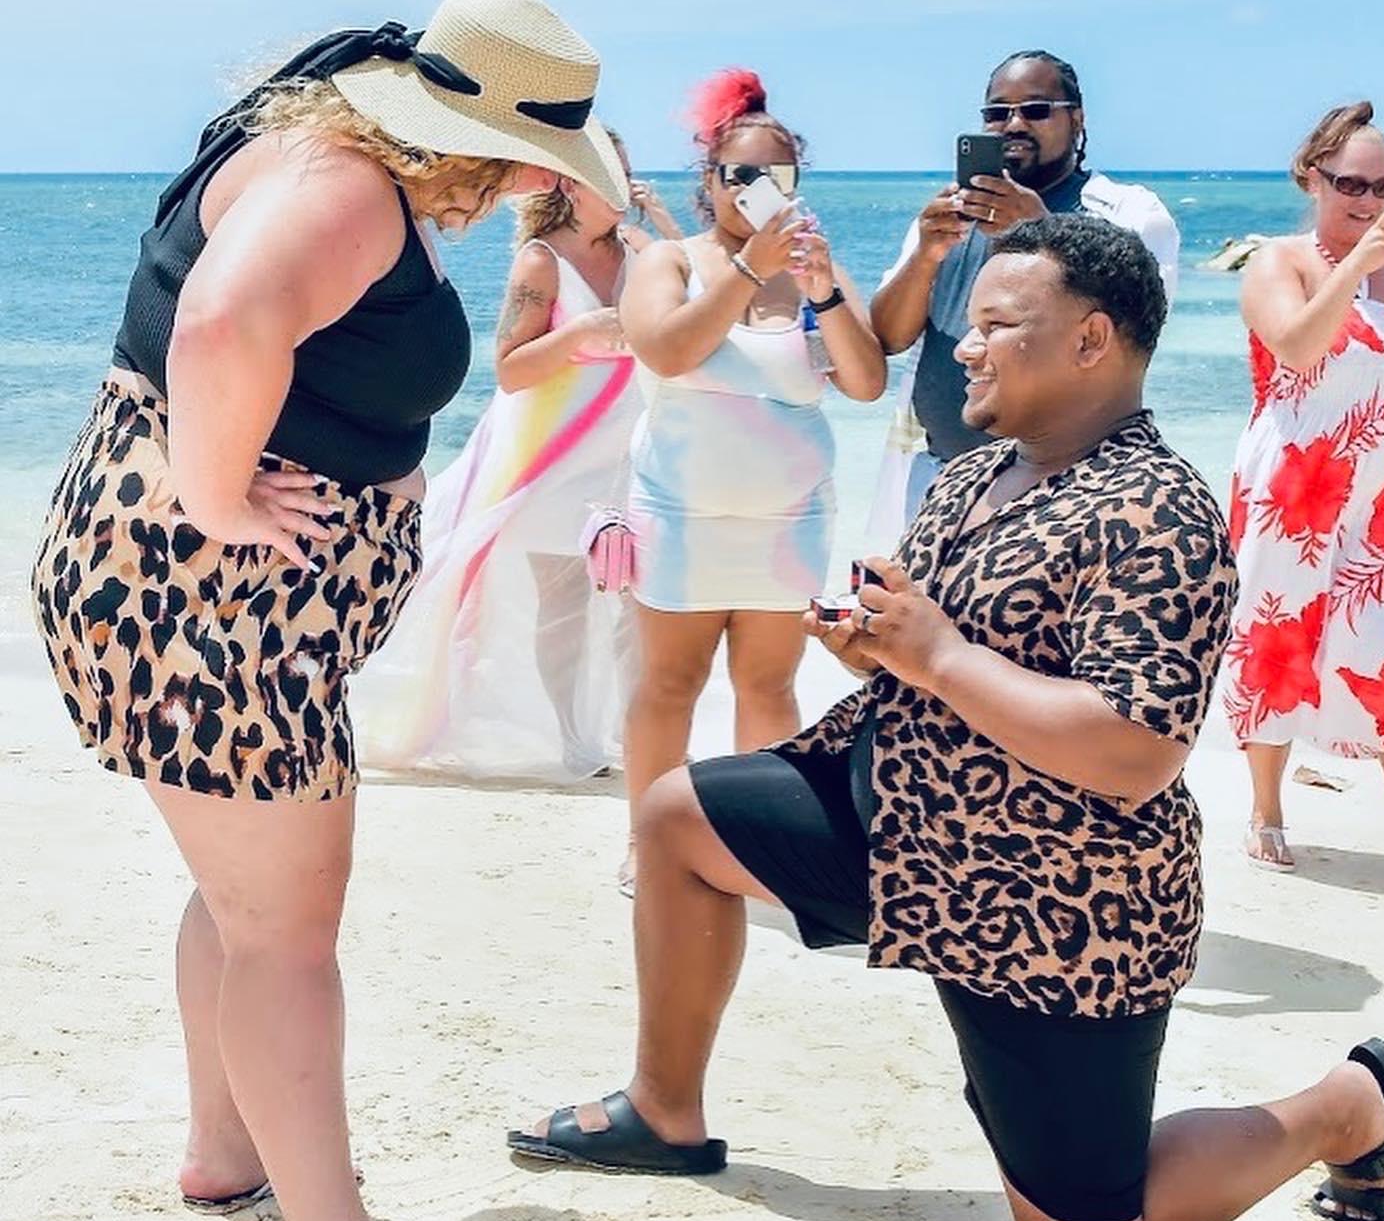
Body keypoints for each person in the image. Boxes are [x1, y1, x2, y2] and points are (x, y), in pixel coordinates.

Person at [511, 215, 1384, 1221]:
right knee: (677, 817)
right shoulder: (975, 474)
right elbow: (938, 649)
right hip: (902, 812)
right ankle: (663, 1109)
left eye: (996, 324)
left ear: (1090, 340)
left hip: (1054, 896)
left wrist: (935, 654)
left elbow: (1135, 749)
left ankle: (1347, 1105)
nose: (967, 347)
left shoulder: (1158, 509)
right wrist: (879, 643)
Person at [31, 0, 631, 1221]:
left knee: (245, 898)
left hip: (201, 601)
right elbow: (218, 327)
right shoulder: (350, 191)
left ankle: (222, 1147)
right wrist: (219, 496)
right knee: (288, 936)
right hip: (213, 605)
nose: (534, 187)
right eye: (533, 159)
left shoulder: (327, 141)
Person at [617, 69, 887, 887]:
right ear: (709, 180)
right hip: (680, 515)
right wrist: (745, 268)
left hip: (788, 522)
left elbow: (866, 382)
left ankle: (756, 847)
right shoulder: (671, 261)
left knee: (768, 685)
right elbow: (666, 350)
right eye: (739, 173)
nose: (756, 188)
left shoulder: (813, 272)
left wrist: (824, 292)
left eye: (776, 173)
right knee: (670, 683)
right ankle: (650, 840)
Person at [358, 128, 645, 781]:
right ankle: (577, 742)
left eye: (626, 172)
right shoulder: (542, 262)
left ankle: (637, 730)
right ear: (570, 182)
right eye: (608, 174)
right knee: (566, 602)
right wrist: (582, 330)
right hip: (550, 457)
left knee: (638, 599)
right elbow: (511, 369)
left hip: (625, 450)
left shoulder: (637, 250)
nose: (623, 186)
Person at [1222, 101, 1384, 882]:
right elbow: (1296, 342)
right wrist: (1357, 263)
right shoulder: (1276, 262)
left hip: (1377, 496)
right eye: (1351, 183)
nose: (1368, 200)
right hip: (1290, 492)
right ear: (1313, 179)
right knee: (1277, 643)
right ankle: (1265, 810)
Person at [869, 50, 1180, 534]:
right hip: (940, 477)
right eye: (997, 113)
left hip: (1071, 487)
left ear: (1077, 119)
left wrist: (1042, 230)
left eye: (1035, 110)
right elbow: (888, 337)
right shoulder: (950, 214)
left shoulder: (1130, 213)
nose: (1014, 125)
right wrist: (926, 254)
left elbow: (1130, 335)